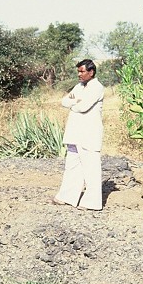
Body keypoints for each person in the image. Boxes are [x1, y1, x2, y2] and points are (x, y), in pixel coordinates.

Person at [52, 58, 104, 210]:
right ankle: (67, 196)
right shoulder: (78, 86)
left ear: (91, 72)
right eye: (78, 71)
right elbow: (64, 101)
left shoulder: (97, 87)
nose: (79, 74)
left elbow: (83, 107)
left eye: (82, 71)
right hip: (75, 132)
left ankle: (92, 202)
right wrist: (75, 101)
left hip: (89, 133)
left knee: (91, 168)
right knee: (72, 165)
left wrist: (74, 103)